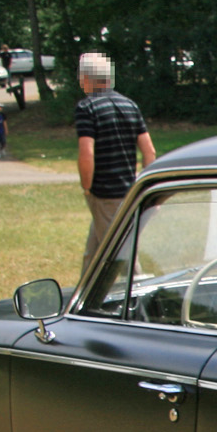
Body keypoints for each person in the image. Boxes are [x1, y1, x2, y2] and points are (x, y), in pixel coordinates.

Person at [75, 51, 156, 280]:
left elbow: (86, 153)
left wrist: (87, 186)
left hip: (105, 194)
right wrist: (142, 184)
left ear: (87, 79)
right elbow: (149, 151)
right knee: (94, 252)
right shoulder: (129, 105)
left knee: (122, 256)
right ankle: (83, 297)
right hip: (129, 192)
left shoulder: (87, 108)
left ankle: (145, 304)